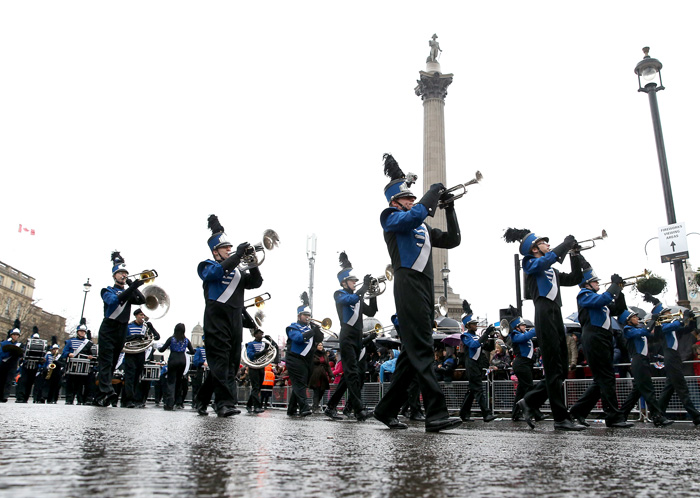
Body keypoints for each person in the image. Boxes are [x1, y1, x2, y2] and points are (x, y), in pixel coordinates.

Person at [373, 153, 462, 432]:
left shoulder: (422, 224)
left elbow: (453, 240)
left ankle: (385, 409)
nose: (412, 202)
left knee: (412, 355)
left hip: (424, 287)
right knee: (423, 349)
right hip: (407, 282)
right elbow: (413, 216)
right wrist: (431, 194)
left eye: (414, 198)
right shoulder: (390, 216)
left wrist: (448, 208)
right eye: (407, 199)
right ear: (394, 202)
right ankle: (435, 414)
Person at [504, 227, 585, 431]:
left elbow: (575, 278)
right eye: (544, 242)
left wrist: (575, 254)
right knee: (552, 367)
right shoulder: (529, 263)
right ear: (534, 248)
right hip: (543, 312)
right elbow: (544, 261)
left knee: (560, 369)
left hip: (556, 313)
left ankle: (530, 401)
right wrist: (565, 245)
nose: (548, 244)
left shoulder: (552, 270)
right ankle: (560, 418)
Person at [196, 214, 263, 417]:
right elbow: (214, 274)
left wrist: (253, 263)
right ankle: (224, 403)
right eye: (226, 247)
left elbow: (256, 282)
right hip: (216, 318)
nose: (230, 250)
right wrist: (237, 257)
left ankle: (201, 399)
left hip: (235, 318)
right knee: (220, 361)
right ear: (215, 251)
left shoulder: (237, 271)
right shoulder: (207, 265)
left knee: (230, 363)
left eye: (231, 247)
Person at [568, 267, 632, 428]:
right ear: (588, 284)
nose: (598, 283)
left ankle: (577, 411)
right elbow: (602, 300)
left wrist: (619, 290)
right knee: (607, 378)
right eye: (595, 281)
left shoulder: (599, 300)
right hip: (594, 338)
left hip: (602, 338)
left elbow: (618, 309)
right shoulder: (584, 294)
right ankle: (613, 416)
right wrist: (613, 287)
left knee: (601, 380)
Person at [94, 251, 146, 406]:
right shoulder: (107, 290)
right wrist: (130, 289)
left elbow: (141, 300)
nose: (123, 275)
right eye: (121, 273)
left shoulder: (127, 291)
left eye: (125, 273)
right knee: (106, 361)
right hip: (109, 328)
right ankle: (108, 391)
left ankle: (100, 396)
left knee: (113, 361)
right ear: (114, 276)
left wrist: (132, 285)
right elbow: (114, 302)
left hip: (121, 329)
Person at [333, 252, 378, 421]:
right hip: (347, 336)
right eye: (353, 281)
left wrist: (373, 294)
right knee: (351, 374)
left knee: (351, 376)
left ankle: (331, 407)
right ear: (344, 282)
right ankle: (359, 409)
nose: (356, 282)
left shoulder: (357, 297)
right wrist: (364, 288)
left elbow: (371, 311)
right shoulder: (339, 294)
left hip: (358, 338)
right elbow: (351, 300)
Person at [617, 309, 673, 426]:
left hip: (644, 361)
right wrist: (652, 320)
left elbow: (654, 335)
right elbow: (644, 331)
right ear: (628, 321)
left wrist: (657, 324)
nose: (637, 318)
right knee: (648, 389)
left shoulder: (638, 329)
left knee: (637, 391)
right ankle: (657, 416)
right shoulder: (628, 330)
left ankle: (621, 415)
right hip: (638, 361)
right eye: (634, 317)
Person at [285, 293, 323, 416]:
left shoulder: (310, 328)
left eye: (309, 315)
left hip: (307, 360)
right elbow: (298, 339)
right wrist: (312, 330)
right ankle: (304, 408)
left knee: (301, 384)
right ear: (299, 316)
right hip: (294, 358)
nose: (308, 317)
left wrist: (317, 330)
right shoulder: (293, 327)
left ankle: (291, 409)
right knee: (300, 383)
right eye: (305, 315)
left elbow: (320, 338)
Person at [459, 302, 498, 423]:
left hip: (476, 365)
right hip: (471, 365)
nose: (476, 325)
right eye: (474, 324)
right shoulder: (465, 336)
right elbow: (474, 345)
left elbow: (486, 347)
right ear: (468, 325)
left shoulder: (475, 336)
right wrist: (486, 333)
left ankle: (464, 413)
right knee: (479, 390)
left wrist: (491, 336)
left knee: (472, 391)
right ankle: (486, 414)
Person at [122, 309, 160, 408]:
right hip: (131, 353)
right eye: (140, 315)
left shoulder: (146, 327)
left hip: (141, 354)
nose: (142, 317)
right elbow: (123, 339)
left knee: (136, 377)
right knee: (129, 376)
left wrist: (151, 327)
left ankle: (131, 399)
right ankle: (128, 399)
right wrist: (135, 337)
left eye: (144, 315)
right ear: (135, 315)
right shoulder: (129, 326)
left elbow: (157, 337)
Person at [159, 324, 195, 410]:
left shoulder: (172, 339)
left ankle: (169, 403)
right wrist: (188, 353)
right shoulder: (186, 340)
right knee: (179, 381)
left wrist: (158, 347)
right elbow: (192, 351)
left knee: (171, 381)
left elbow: (162, 349)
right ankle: (178, 402)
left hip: (173, 359)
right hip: (182, 360)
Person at [509, 317, 538, 421]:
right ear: (517, 327)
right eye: (522, 325)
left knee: (521, 391)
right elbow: (524, 337)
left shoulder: (525, 336)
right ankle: (534, 412)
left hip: (526, 364)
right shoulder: (515, 335)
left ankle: (515, 413)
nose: (525, 327)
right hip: (521, 363)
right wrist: (536, 327)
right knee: (529, 387)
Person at [62, 324, 95, 405]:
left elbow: (92, 353)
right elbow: (64, 352)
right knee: (70, 383)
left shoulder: (88, 343)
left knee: (81, 384)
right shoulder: (70, 341)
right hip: (72, 365)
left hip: (83, 366)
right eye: (81, 331)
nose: (82, 333)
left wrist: (91, 357)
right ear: (77, 332)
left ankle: (80, 400)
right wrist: (68, 354)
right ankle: (69, 399)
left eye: (84, 332)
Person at [245, 328, 268, 413]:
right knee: (255, 387)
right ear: (255, 335)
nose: (261, 335)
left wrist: (271, 340)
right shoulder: (250, 344)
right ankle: (257, 407)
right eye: (259, 333)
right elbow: (251, 356)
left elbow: (274, 349)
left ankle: (248, 405)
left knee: (258, 387)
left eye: (262, 333)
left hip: (261, 367)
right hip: (253, 367)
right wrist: (262, 353)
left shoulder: (265, 344)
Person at [0, 321, 23, 402]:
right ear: (11, 335)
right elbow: (2, 353)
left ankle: (5, 396)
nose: (15, 336)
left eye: (17, 335)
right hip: (4, 363)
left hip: (13, 364)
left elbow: (21, 354)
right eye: (14, 335)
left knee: (9, 381)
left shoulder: (20, 345)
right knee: (1, 379)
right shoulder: (4, 343)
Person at [308, 342, 332, 413]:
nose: (321, 346)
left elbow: (328, 366)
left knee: (322, 390)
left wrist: (331, 374)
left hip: (323, 375)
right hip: (315, 375)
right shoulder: (313, 354)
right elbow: (312, 363)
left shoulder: (324, 355)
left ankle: (316, 405)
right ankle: (315, 406)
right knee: (316, 391)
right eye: (319, 345)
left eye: (321, 345)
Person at [191, 342, 207, 408]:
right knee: (197, 387)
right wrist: (202, 363)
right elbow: (195, 361)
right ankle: (195, 402)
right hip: (200, 370)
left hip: (208, 371)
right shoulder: (199, 350)